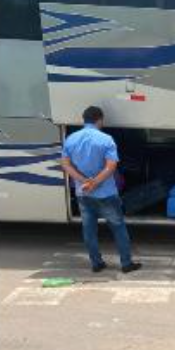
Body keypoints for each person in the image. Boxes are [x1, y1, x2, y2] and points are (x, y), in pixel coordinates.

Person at [61, 106, 141, 274]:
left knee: (89, 230)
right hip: (106, 193)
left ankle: (96, 263)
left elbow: (65, 165)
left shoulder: (71, 139)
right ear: (100, 119)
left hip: (83, 192)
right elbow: (111, 166)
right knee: (118, 227)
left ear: (84, 119)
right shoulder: (106, 139)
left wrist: (84, 181)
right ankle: (126, 264)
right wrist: (95, 182)